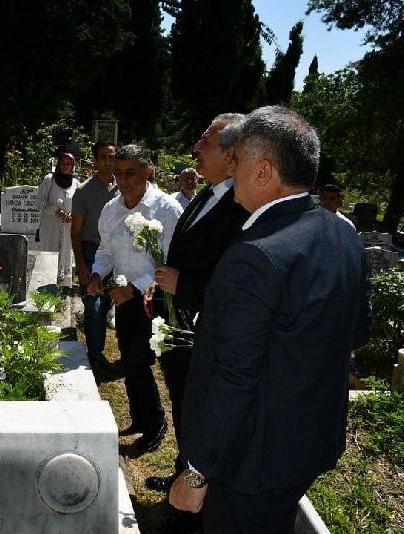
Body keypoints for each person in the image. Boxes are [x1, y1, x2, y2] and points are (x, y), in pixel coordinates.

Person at [169, 106, 372, 532]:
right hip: (309, 440)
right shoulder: (342, 234)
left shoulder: (255, 254)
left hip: (250, 461)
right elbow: (356, 332)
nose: (230, 169)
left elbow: (235, 376)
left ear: (263, 172)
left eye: (237, 160)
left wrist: (197, 473)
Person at [146, 114, 250, 502]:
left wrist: (184, 286)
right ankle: (182, 471)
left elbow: (236, 283)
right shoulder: (207, 194)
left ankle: (195, 501)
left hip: (205, 332)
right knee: (184, 407)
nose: (195, 150)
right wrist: (162, 289)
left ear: (231, 155)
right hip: (180, 322)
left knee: (201, 413)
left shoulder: (242, 209)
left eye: (205, 142)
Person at [87, 144, 183, 456]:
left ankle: (155, 424)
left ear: (148, 171)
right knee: (129, 361)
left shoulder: (167, 210)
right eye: (119, 174)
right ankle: (141, 418)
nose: (124, 181)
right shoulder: (111, 209)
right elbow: (105, 250)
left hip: (156, 299)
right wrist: (98, 274)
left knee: (141, 363)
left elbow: (172, 260)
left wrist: (138, 287)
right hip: (124, 297)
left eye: (131, 173)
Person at [71, 141, 116, 366]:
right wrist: (81, 264)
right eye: (103, 158)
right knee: (93, 305)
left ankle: (98, 349)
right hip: (91, 250)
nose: (108, 163)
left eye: (112, 157)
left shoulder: (123, 189)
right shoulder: (84, 192)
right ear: (95, 161)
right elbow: (76, 232)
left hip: (117, 253)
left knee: (107, 303)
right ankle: (95, 354)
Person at [37, 152, 79, 288]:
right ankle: (46, 283)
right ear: (59, 164)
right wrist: (56, 211)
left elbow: (79, 204)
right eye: (63, 163)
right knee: (50, 252)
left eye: (69, 164)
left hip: (68, 225)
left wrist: (73, 214)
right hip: (51, 224)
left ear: (73, 165)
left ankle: (63, 284)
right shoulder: (49, 180)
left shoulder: (76, 183)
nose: (65, 166)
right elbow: (39, 202)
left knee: (66, 251)